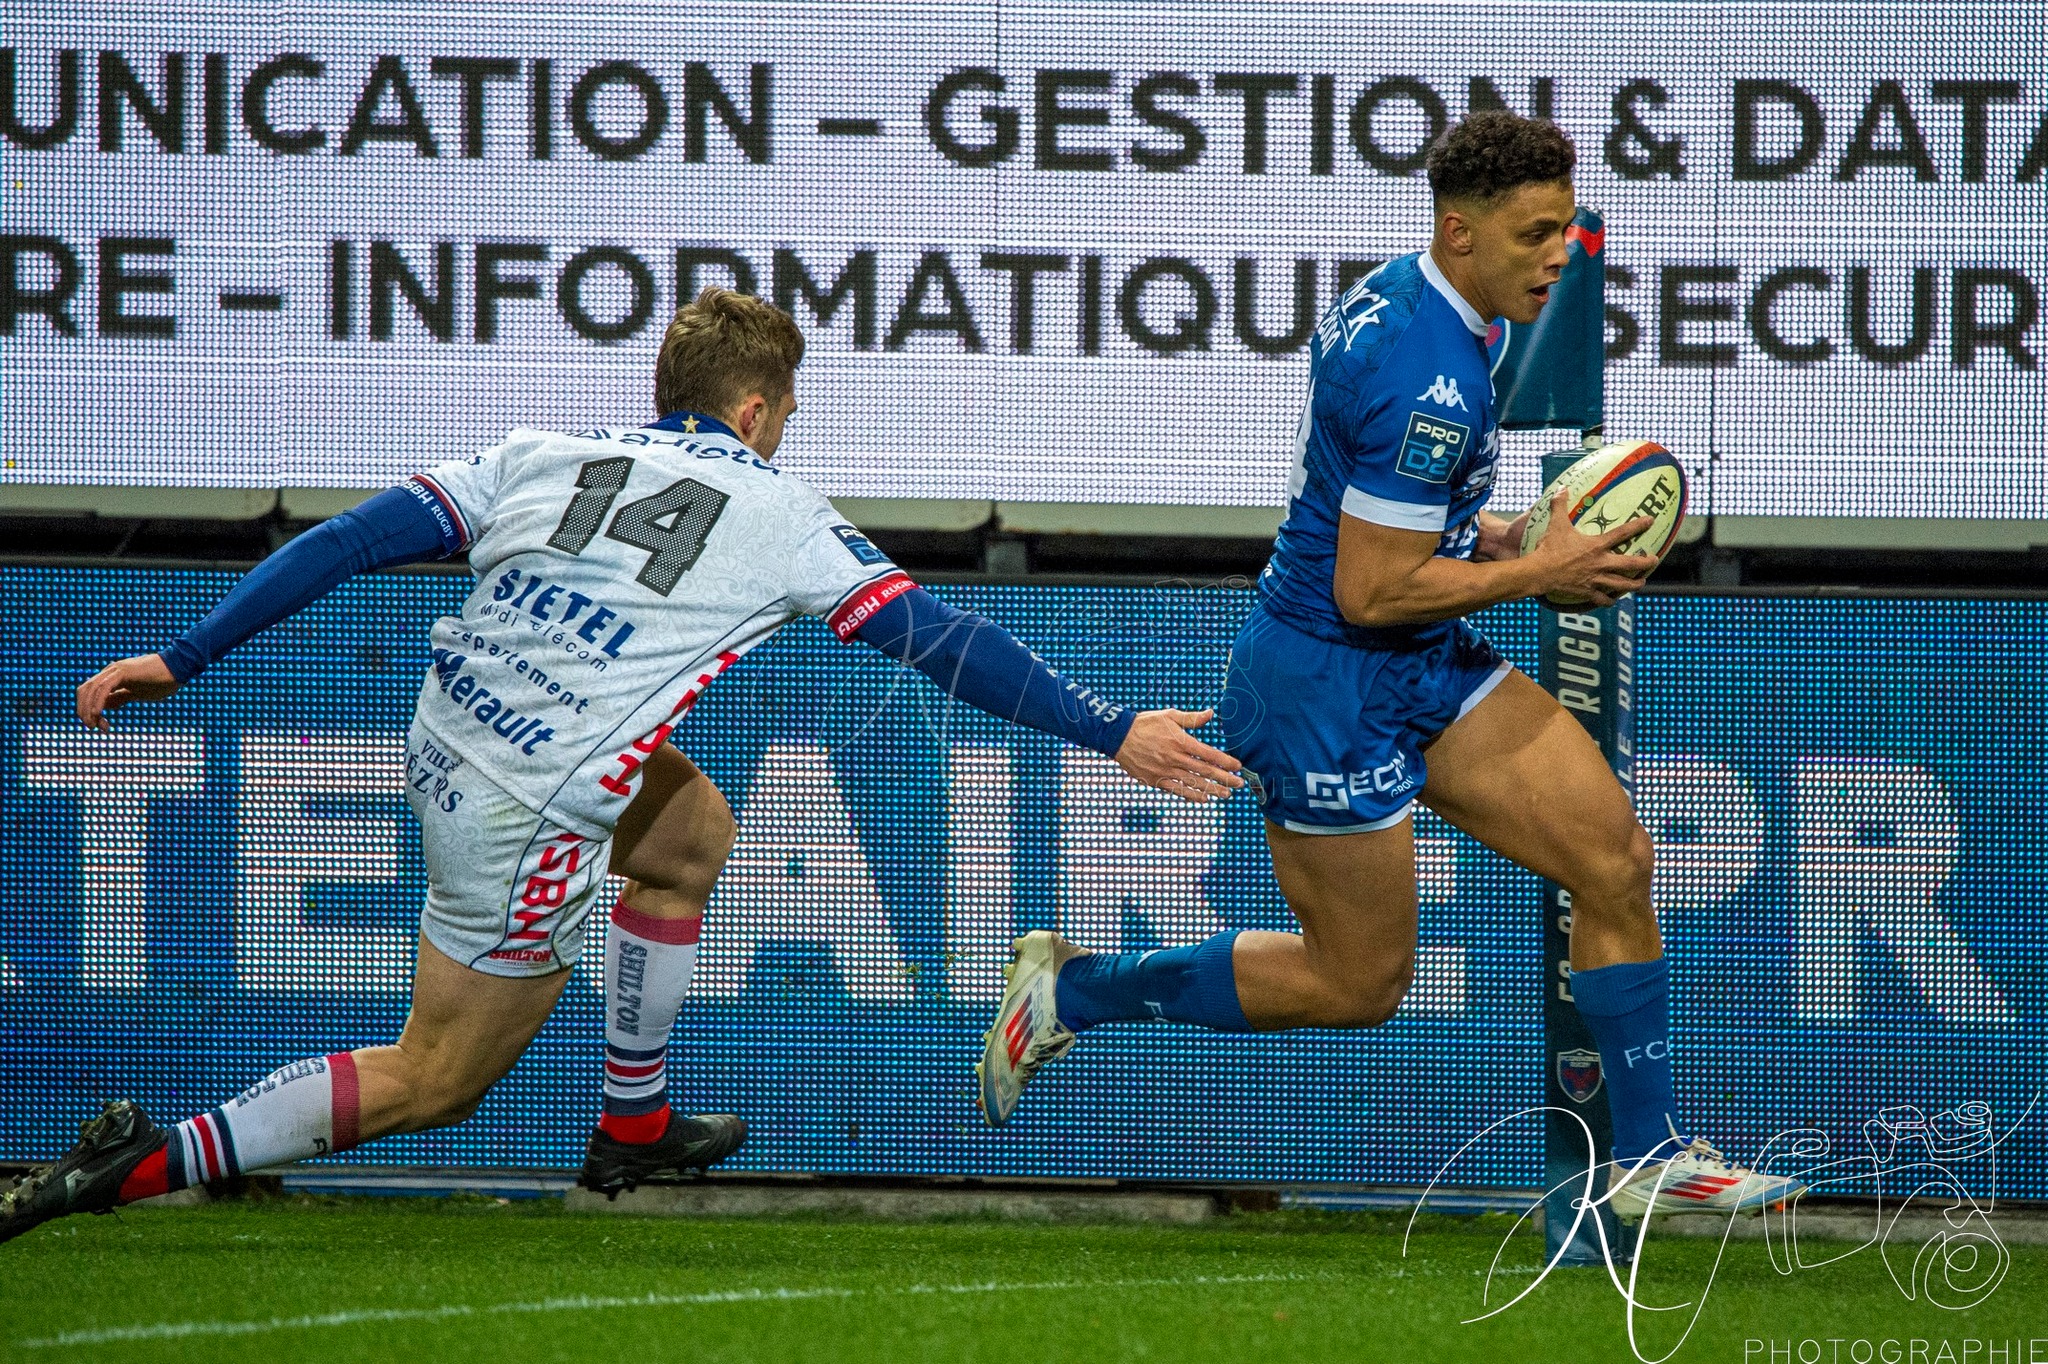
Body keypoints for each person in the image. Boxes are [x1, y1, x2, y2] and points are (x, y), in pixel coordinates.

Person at [0, 288, 1241, 1245]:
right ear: (753, 410)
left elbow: (346, 540)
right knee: (436, 1077)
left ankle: (632, 1122)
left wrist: (185, 653)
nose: (785, 430)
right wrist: (1112, 730)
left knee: (689, 832)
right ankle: (145, 1158)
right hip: (529, 805)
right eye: (787, 410)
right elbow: (940, 639)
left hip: (456, 728)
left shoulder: (540, 453)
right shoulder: (777, 509)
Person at [977, 111, 1804, 1223]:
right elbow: (1369, 588)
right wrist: (1539, 571)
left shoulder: (1437, 303)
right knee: (1357, 981)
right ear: (1460, 231)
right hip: (1324, 684)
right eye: (1532, 235)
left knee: (1613, 859)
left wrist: (1503, 538)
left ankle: (1648, 1154)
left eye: (1563, 230)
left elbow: (1399, 524)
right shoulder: (1428, 374)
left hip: (1418, 657)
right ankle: (1076, 988)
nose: (1557, 256)